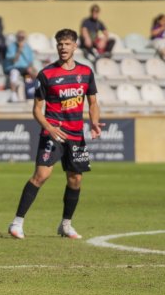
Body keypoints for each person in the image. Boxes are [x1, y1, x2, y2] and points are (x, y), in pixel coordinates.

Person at [8, 29, 103, 242]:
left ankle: (65, 224)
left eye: (67, 44)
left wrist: (94, 122)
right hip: (53, 134)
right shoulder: (46, 75)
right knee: (41, 175)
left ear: (75, 46)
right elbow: (36, 110)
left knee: (75, 179)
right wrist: (49, 128)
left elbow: (93, 103)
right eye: (60, 44)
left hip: (76, 134)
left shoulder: (86, 73)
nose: (63, 48)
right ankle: (17, 222)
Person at [4, 31, 36, 103]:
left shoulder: (28, 47)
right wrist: (19, 49)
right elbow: (14, 60)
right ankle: (13, 94)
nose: (21, 39)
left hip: (25, 69)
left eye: (22, 37)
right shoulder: (12, 46)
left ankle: (33, 92)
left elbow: (30, 61)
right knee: (14, 73)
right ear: (16, 37)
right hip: (14, 67)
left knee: (32, 75)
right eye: (19, 37)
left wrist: (31, 70)